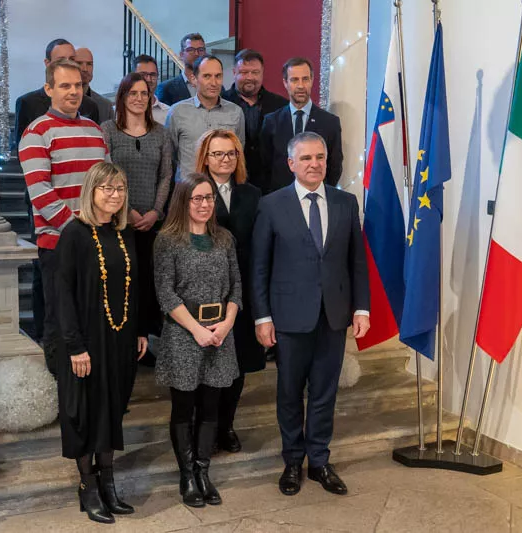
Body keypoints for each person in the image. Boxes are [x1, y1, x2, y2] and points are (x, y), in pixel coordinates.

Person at [251, 132, 370, 497]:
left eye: (319, 157)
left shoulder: (346, 202)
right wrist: (262, 317)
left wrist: (361, 308)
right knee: (289, 392)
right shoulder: (271, 205)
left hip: (333, 315)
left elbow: (357, 261)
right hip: (289, 317)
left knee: (324, 391)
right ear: (291, 164)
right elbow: (260, 266)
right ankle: (292, 461)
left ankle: (319, 461)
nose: (314, 164)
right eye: (305, 158)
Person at [55, 162, 148, 524]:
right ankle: (88, 487)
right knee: (86, 415)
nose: (114, 195)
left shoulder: (124, 234)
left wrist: (139, 330)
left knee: (111, 411)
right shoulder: (74, 234)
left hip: (120, 338)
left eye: (120, 188)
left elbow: (135, 287)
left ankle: (108, 484)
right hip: (86, 343)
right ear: (91, 191)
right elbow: (62, 294)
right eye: (107, 188)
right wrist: (75, 346)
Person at [153, 173, 241, 508]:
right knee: (183, 407)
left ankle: (204, 471)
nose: (205, 204)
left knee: (210, 407)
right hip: (183, 333)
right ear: (184, 201)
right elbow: (165, 292)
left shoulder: (224, 239)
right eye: (198, 198)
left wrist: (226, 324)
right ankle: (187, 474)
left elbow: (236, 286)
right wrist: (197, 330)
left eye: (209, 198)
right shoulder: (168, 240)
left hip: (220, 334)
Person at [19, 58, 109, 377]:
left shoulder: (95, 131)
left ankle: (91, 387)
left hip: (96, 240)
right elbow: (41, 193)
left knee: (93, 317)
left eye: (78, 85)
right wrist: (78, 230)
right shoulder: (36, 133)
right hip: (58, 244)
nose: (74, 92)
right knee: (60, 320)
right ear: (49, 89)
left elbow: (106, 184)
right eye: (65, 85)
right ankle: (61, 388)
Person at [194, 129, 262, 453]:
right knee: (209, 362)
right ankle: (203, 428)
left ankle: (227, 426)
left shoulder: (253, 194)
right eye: (218, 153)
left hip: (243, 289)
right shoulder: (192, 192)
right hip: (205, 291)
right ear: (205, 158)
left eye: (231, 153)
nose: (225, 159)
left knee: (238, 362)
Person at [101, 72, 173, 349]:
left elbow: (166, 175)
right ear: (122, 97)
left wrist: (156, 211)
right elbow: (106, 173)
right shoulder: (108, 130)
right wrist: (126, 210)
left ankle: (145, 340)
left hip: (152, 224)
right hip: (118, 221)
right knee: (121, 280)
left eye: (144, 93)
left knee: (148, 281)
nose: (139, 98)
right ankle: (121, 339)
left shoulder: (161, 133)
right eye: (133, 93)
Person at [260, 58, 344, 193]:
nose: (300, 86)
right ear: (285, 83)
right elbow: (264, 167)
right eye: (294, 80)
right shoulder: (271, 122)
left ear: (312, 80)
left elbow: (334, 167)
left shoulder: (330, 122)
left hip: (316, 198)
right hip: (280, 198)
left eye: (305, 79)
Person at [166, 55, 245, 178]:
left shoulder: (235, 112)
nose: (214, 83)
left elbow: (238, 154)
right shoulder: (177, 112)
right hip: (188, 187)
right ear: (194, 79)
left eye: (218, 76)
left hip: (223, 186)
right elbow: (169, 156)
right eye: (207, 76)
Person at [221, 49, 288, 193]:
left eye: (255, 72)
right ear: (234, 73)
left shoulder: (281, 106)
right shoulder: (220, 103)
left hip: (271, 188)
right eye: (244, 72)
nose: (250, 77)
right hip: (230, 185)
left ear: (262, 73)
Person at [15, 39, 100, 146]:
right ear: (47, 63)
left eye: (72, 59)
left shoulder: (89, 105)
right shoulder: (28, 103)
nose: (67, 64)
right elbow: (21, 147)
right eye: (61, 60)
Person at [155, 33, 206, 105]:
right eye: (190, 50)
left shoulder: (215, 86)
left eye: (200, 50)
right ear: (181, 55)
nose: (196, 53)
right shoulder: (166, 88)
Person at [75, 47, 115, 124]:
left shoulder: (105, 106)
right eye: (79, 63)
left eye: (89, 64)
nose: (85, 69)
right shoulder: (61, 102)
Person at [133, 54, 171, 125]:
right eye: (143, 74)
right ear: (132, 76)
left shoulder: (169, 113)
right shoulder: (118, 112)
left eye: (153, 75)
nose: (149, 79)